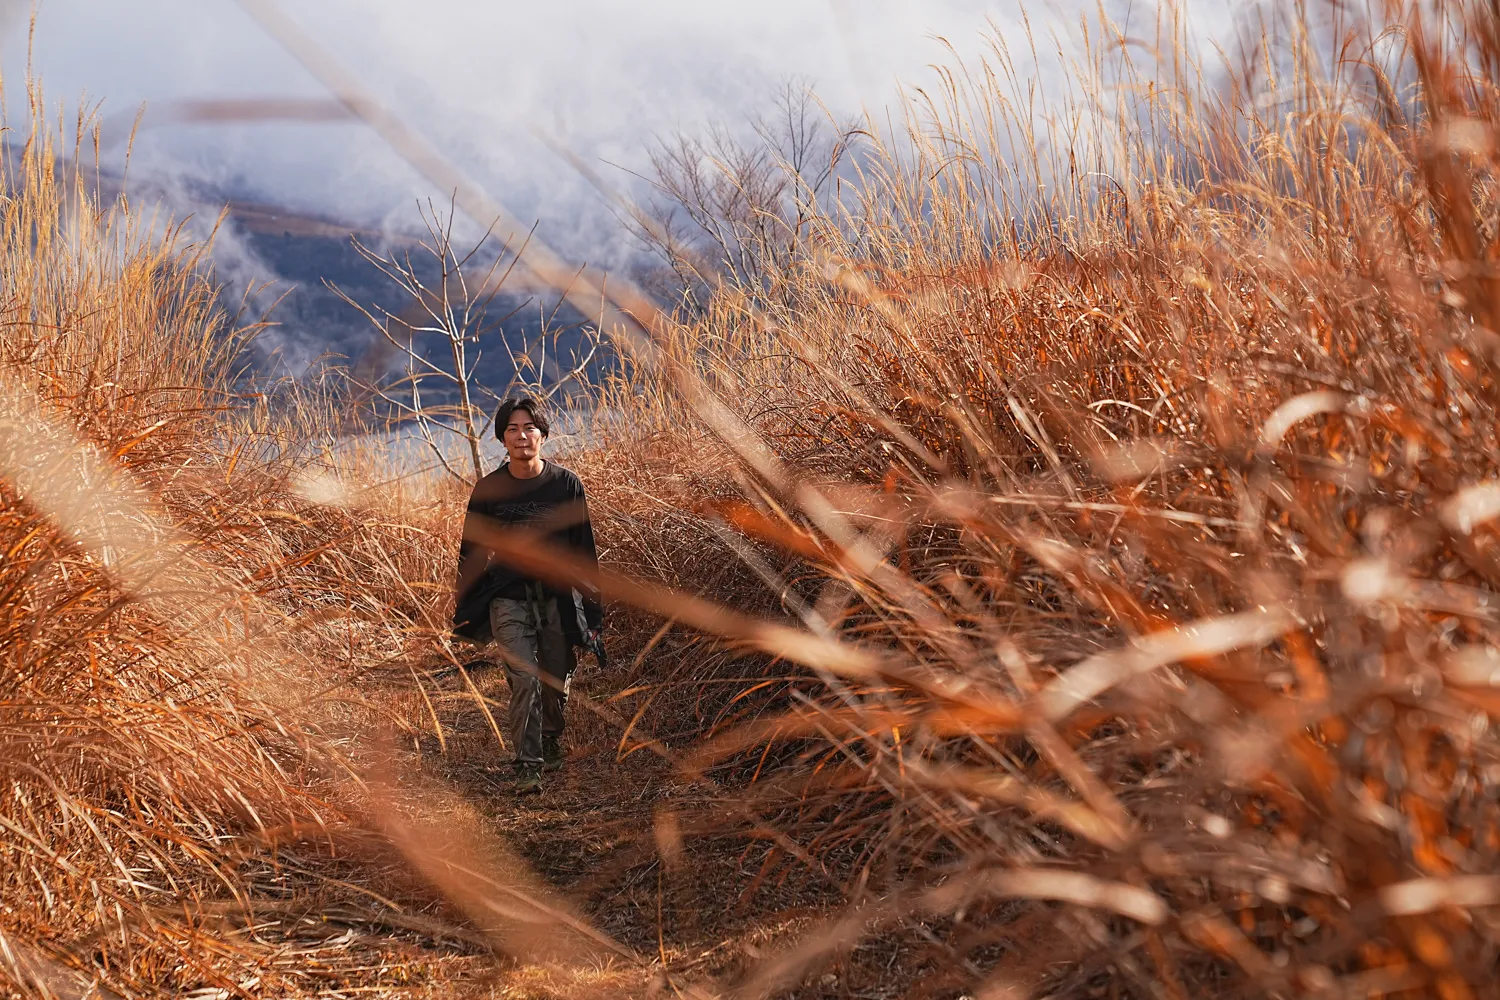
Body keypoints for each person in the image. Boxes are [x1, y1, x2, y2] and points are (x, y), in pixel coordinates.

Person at [453, 395, 603, 794]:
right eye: (513, 429)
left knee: (554, 677)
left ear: (543, 434)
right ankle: (527, 764)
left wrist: (593, 613)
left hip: (558, 596)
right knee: (524, 678)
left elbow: (583, 551)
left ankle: (551, 736)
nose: (522, 436)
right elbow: (471, 553)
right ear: (503, 439)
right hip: (507, 597)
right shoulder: (489, 490)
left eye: (529, 428)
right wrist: (466, 606)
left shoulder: (566, 484)